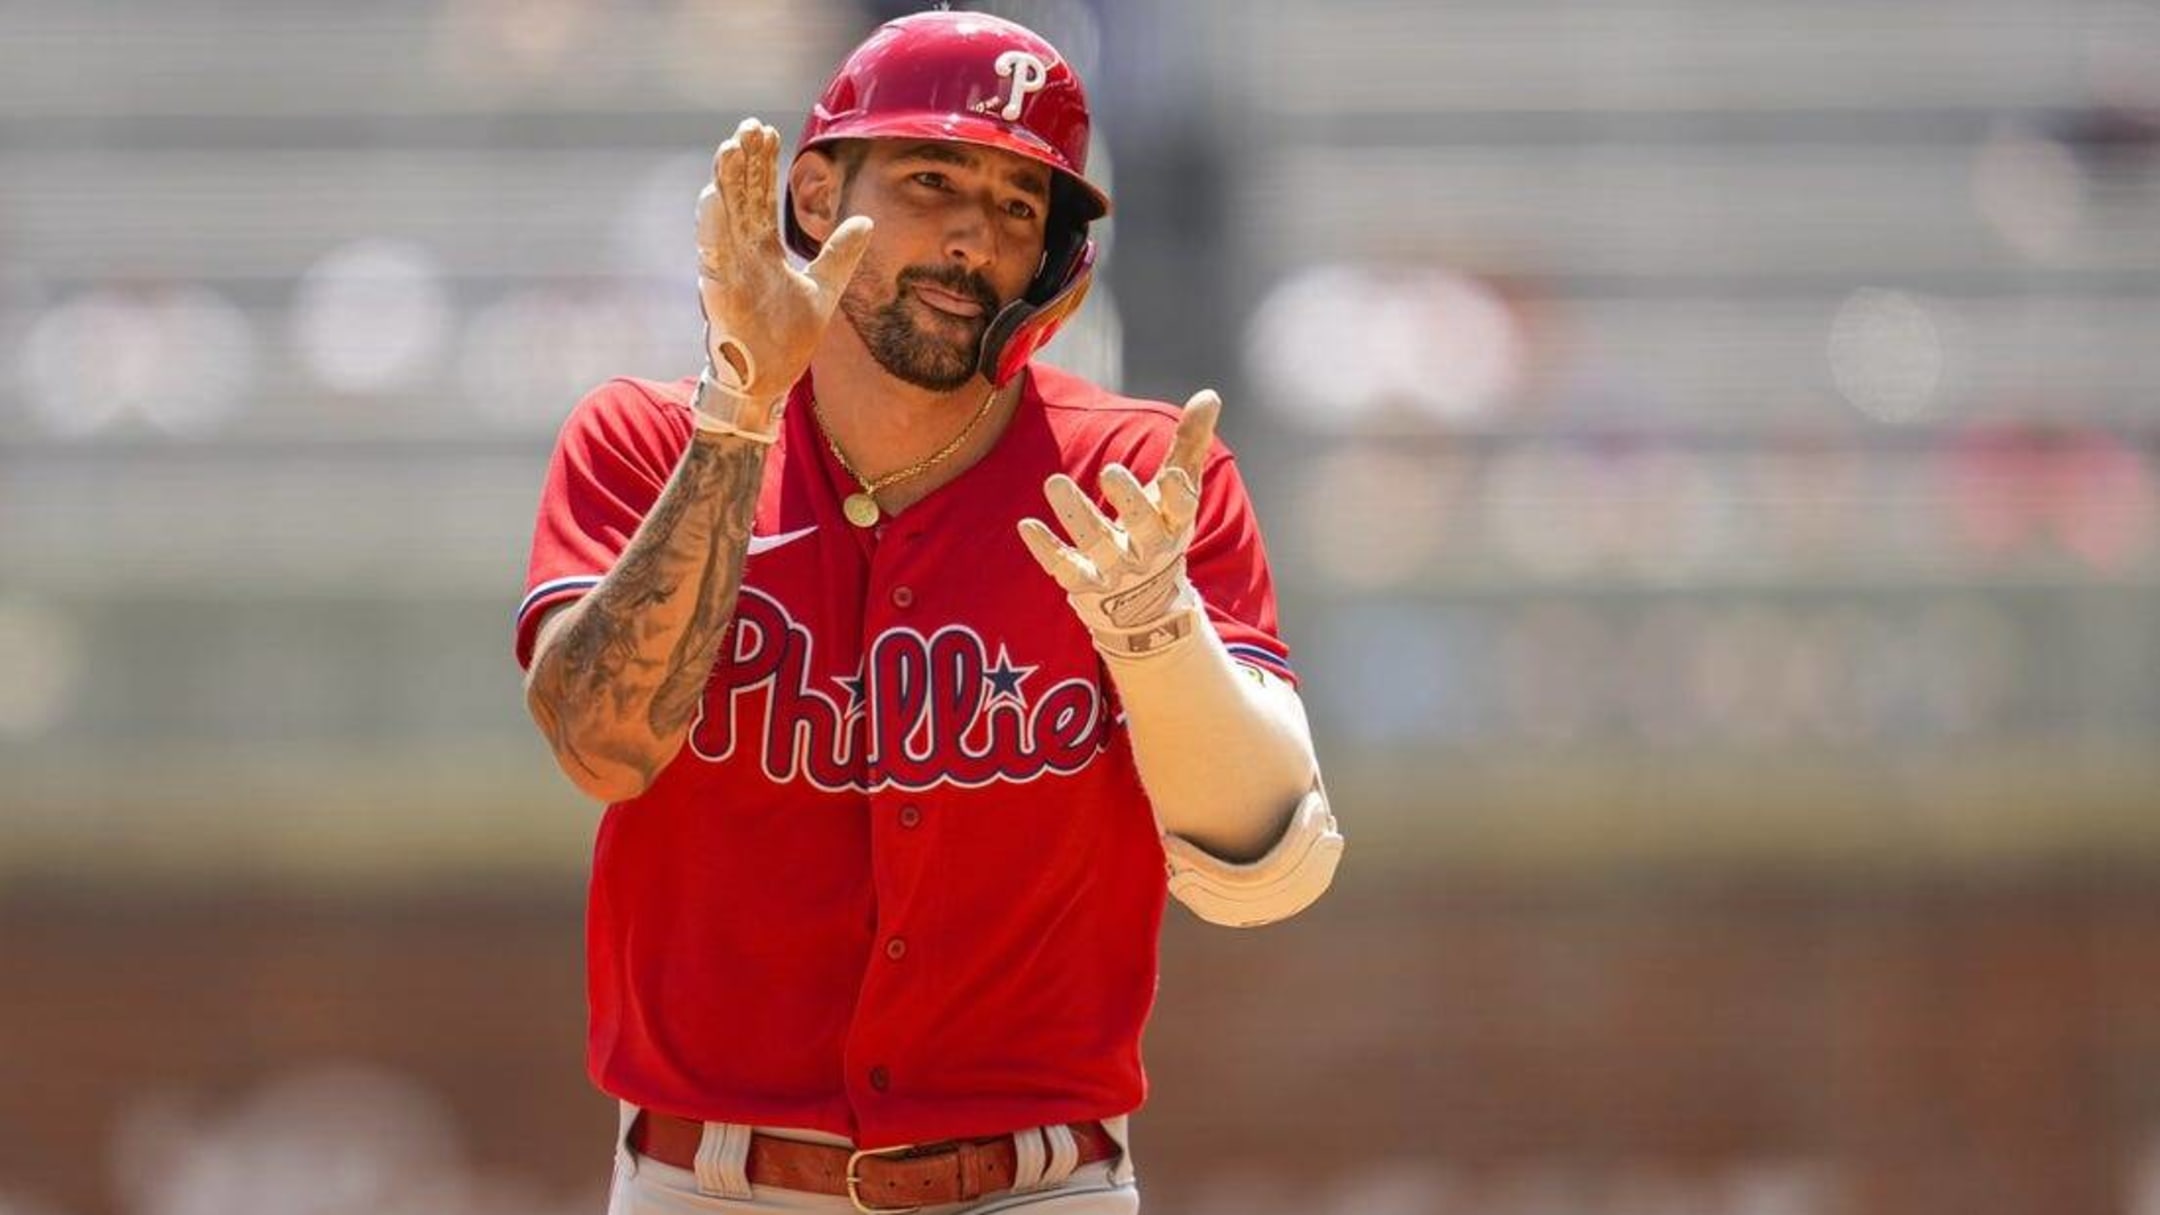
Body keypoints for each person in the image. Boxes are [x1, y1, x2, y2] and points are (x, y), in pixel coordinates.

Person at [515, 11, 1342, 1213]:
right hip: (712, 1181)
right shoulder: (646, 443)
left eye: (1020, 205)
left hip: (1037, 1184)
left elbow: (1266, 873)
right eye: (929, 178)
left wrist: (1153, 634)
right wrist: (739, 414)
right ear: (811, 193)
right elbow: (603, 744)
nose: (972, 238)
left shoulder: (1141, 481)